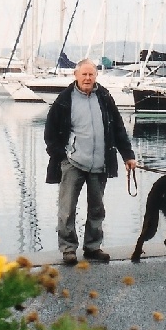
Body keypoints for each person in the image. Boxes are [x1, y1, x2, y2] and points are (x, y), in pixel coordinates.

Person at [44, 58, 137, 265]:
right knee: (67, 209)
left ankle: (93, 247)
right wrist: (61, 156)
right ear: (75, 75)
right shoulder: (64, 99)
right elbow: (50, 132)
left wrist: (128, 156)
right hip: (73, 163)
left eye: (91, 74)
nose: (87, 78)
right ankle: (68, 249)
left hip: (99, 163)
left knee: (97, 208)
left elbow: (118, 128)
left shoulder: (104, 97)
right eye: (84, 74)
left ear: (96, 76)